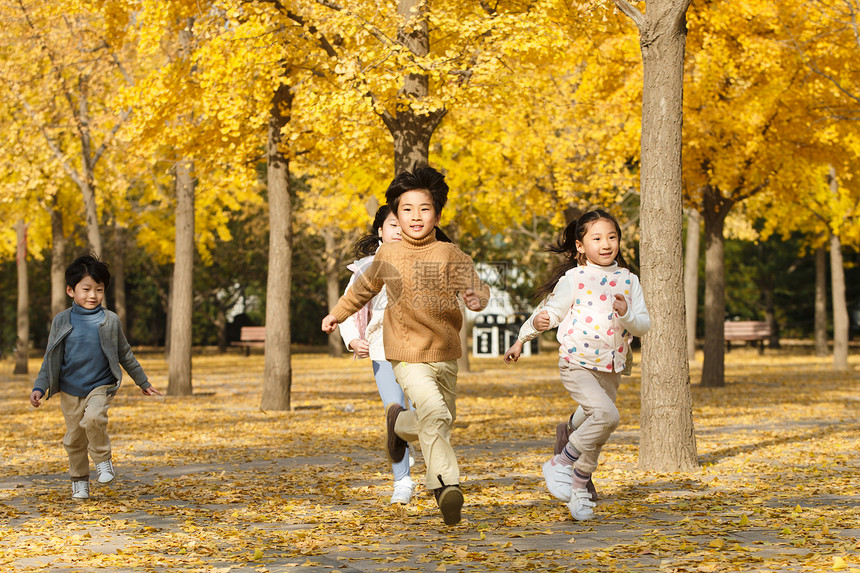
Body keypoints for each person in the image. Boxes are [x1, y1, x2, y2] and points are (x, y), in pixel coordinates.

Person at [322, 165, 490, 525]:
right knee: (436, 414)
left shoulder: (450, 254)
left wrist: (477, 299)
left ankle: (398, 424)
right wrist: (336, 314)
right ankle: (446, 486)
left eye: (424, 209)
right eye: (407, 210)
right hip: (405, 351)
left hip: (444, 351)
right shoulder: (390, 256)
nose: (416, 216)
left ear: (437, 214)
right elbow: (362, 289)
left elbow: (476, 287)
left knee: (441, 418)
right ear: (395, 215)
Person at [504, 210, 650, 521]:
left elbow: (642, 326)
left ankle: (580, 487)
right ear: (581, 246)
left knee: (596, 427)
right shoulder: (574, 279)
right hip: (577, 363)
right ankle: (562, 462)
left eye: (612, 237)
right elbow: (550, 312)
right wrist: (523, 338)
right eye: (597, 238)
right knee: (607, 416)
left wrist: (626, 314)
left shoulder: (628, 280)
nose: (606, 244)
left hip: (611, 367)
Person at [30, 254, 161, 500]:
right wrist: (40, 386)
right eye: (86, 289)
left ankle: (102, 460)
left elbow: (125, 354)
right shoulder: (61, 321)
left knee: (93, 418)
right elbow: (50, 357)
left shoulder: (110, 320)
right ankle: (79, 481)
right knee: (74, 440)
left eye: (99, 290)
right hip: (70, 389)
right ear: (71, 290)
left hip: (101, 385)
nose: (93, 295)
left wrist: (143, 382)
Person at [339, 204, 417, 504]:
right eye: (393, 225)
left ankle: (433, 470)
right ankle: (402, 480)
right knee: (395, 411)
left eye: (404, 224)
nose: (400, 230)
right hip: (382, 348)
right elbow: (349, 306)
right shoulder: (367, 268)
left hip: (420, 349)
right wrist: (352, 340)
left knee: (423, 411)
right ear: (380, 231)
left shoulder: (423, 261)